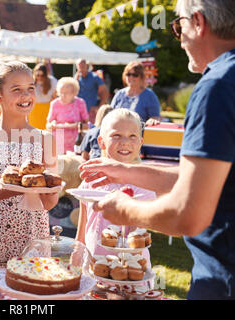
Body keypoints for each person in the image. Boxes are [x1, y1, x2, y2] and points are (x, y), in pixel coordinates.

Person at [79, 0, 235, 299]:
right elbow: (207, 176)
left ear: (198, 23)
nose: (178, 37)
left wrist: (126, 210)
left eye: (178, 26)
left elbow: (187, 215)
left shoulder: (217, 85)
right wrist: (128, 171)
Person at [0, 61, 59, 264]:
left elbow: (49, 203)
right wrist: (4, 192)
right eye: (16, 90)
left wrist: (52, 193)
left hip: (32, 240)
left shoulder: (46, 139)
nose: (26, 96)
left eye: (30, 89)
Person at [76, 109, 156, 259]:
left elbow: (136, 235)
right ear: (101, 142)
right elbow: (82, 226)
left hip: (129, 267)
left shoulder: (143, 184)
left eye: (132, 136)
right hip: (92, 263)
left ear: (140, 143)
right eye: (116, 135)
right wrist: (76, 257)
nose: (125, 142)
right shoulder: (92, 179)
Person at [46, 77, 89, 154]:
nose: (62, 95)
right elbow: (48, 125)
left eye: (66, 93)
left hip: (76, 143)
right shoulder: (55, 104)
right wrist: (52, 125)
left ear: (74, 93)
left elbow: (87, 125)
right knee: (60, 164)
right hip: (58, 142)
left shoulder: (80, 103)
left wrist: (75, 125)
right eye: (60, 92)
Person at [75, 59, 109, 124]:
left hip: (91, 112)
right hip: (78, 112)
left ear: (86, 66)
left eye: (82, 66)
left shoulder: (95, 77)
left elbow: (105, 92)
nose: (81, 69)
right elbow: (72, 93)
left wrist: (99, 107)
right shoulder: (76, 77)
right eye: (79, 67)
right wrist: (75, 80)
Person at [28, 63, 57, 130]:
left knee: (45, 131)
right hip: (34, 109)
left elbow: (54, 96)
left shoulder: (52, 81)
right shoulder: (31, 81)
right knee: (34, 131)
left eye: (42, 75)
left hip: (47, 108)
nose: (40, 77)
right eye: (38, 75)